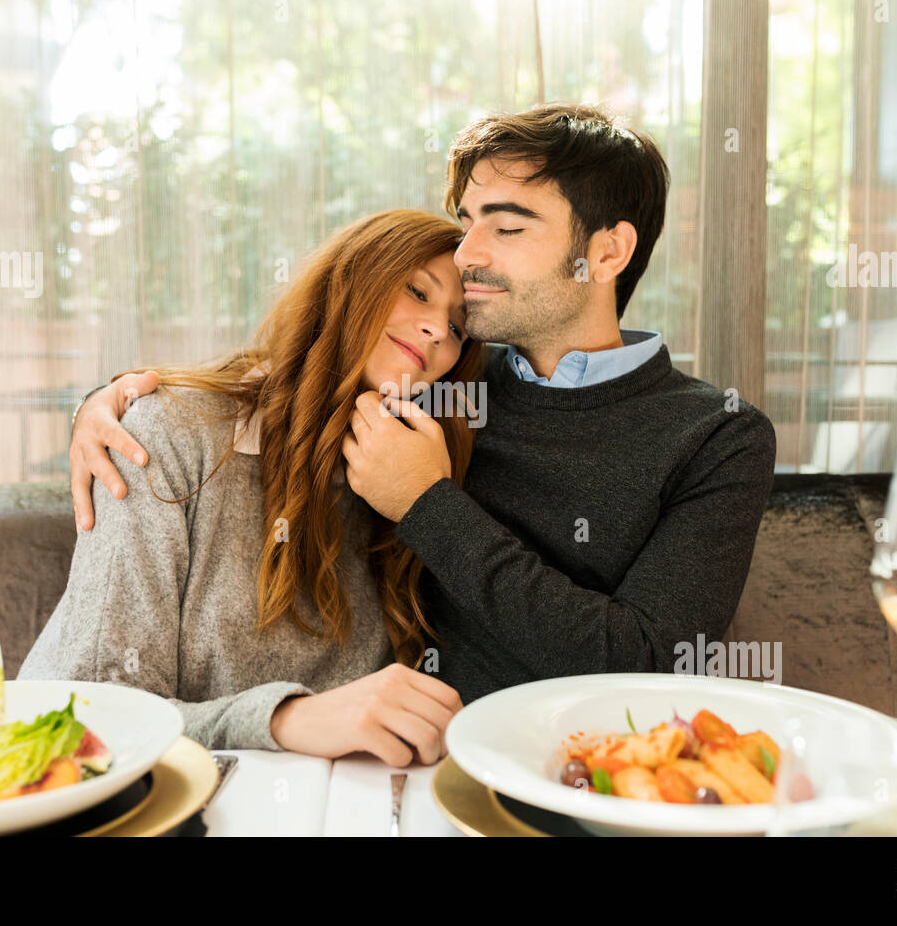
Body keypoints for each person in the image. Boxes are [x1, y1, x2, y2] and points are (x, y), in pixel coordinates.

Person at [67, 102, 778, 710]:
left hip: (588, 775)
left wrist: (428, 504)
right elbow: (297, 379)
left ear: (608, 251)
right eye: (466, 221)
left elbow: (646, 664)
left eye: (506, 226)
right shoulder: (435, 379)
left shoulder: (717, 434)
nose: (467, 251)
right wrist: (115, 400)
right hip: (406, 770)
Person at [18, 209, 483, 767]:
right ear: (349, 281)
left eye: (458, 327)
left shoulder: (416, 481)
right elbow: (95, 716)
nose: (438, 330)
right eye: (416, 291)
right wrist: (286, 718)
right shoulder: (164, 435)